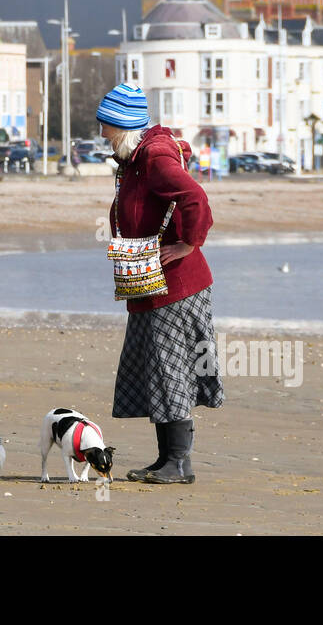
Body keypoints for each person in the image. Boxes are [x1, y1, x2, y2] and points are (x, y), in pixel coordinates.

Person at [97, 83, 223, 484]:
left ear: (123, 126)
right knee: (156, 369)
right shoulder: (135, 158)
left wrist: (189, 243)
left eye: (106, 126)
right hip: (150, 285)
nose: (102, 134)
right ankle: (166, 459)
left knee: (172, 370)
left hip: (175, 286)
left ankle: (180, 464)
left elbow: (194, 198)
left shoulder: (154, 156)